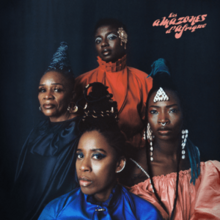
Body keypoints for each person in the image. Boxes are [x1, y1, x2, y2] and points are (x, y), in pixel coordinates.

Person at [38, 82, 162, 220]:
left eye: (97, 156)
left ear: (119, 164)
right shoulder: (55, 211)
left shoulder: (145, 215)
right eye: (80, 155)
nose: (84, 166)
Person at [120, 59, 220, 220]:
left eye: (172, 110)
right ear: (146, 117)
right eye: (154, 111)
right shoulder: (133, 167)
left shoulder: (201, 161)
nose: (163, 119)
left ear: (183, 113)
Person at [7, 42, 81, 220]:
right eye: (42, 90)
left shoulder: (79, 133)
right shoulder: (36, 132)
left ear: (71, 95)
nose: (47, 96)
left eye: (57, 89)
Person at [74, 18, 153, 149]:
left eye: (111, 37)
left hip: (135, 155)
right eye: (98, 40)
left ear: (124, 39)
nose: (104, 44)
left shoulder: (145, 81)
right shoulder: (81, 82)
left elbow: (156, 126)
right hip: (94, 157)